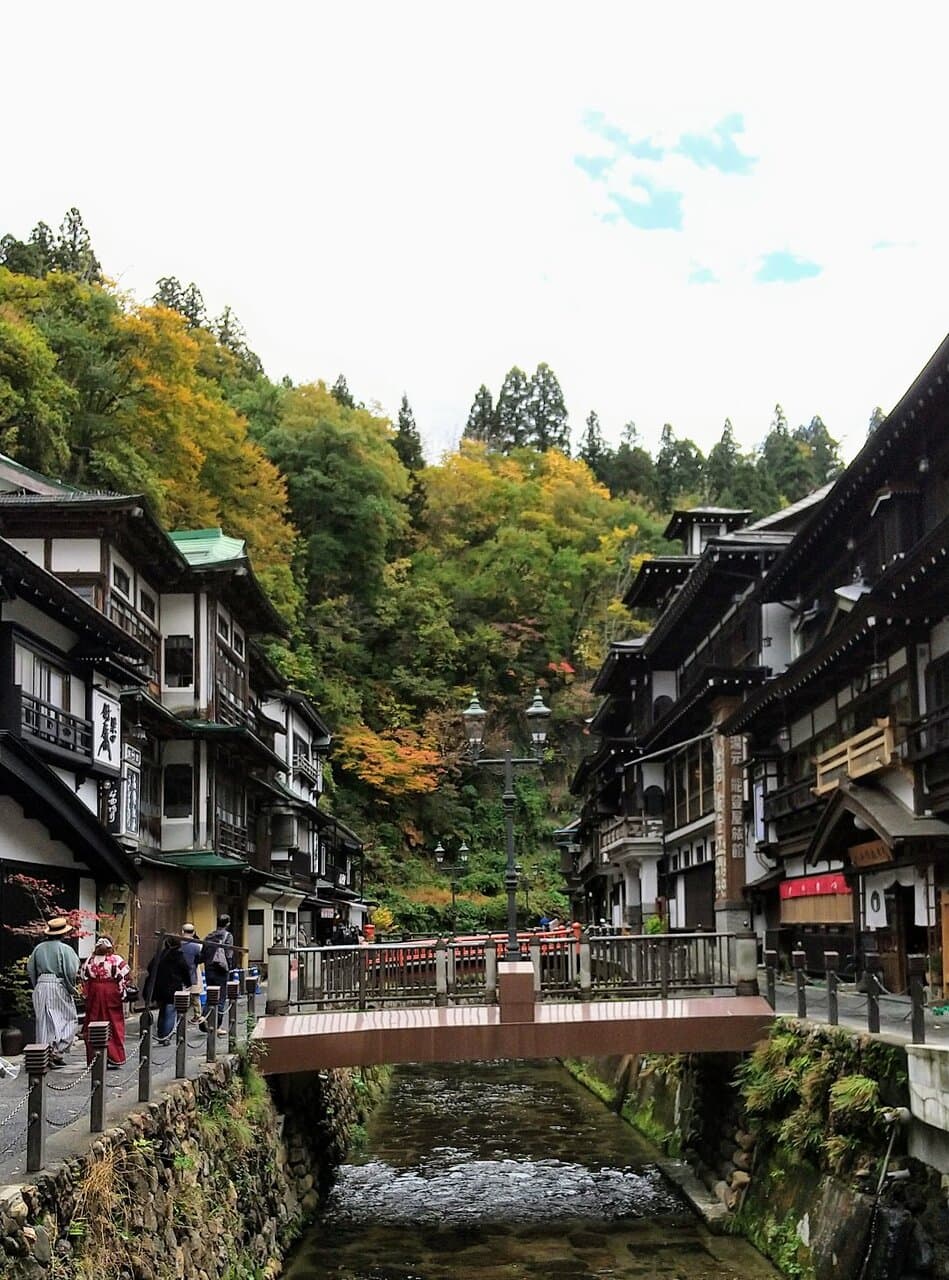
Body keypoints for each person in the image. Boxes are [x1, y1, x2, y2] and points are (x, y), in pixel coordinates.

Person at [26, 917, 79, 1068]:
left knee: (44, 1022)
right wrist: (71, 987)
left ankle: (44, 1055)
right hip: (57, 984)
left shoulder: (38, 949)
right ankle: (56, 1051)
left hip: (41, 984)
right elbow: (71, 971)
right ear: (63, 934)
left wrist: (37, 984)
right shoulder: (65, 949)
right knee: (68, 1019)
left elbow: (30, 968)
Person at [79, 935, 130, 1069]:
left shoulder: (90, 960)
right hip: (111, 992)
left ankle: (94, 1056)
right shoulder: (116, 960)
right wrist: (122, 992)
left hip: (94, 992)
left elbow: (83, 976)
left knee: (93, 1022)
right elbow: (125, 975)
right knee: (114, 1023)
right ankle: (114, 1056)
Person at [144, 935, 192, 1043]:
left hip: (159, 987)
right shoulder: (178, 956)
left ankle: (161, 1034)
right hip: (173, 987)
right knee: (170, 1011)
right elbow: (185, 970)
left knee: (162, 1011)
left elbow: (150, 967)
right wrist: (188, 983)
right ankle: (166, 1036)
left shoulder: (160, 955)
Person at [201, 914, 234, 1034]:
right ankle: (216, 1025)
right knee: (220, 997)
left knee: (211, 994)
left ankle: (204, 1017)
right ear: (227, 924)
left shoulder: (209, 936)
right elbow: (229, 953)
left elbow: (203, 952)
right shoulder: (227, 936)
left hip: (209, 968)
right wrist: (229, 967)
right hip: (221, 969)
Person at [179, 923, 204, 1023]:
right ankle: (197, 1015)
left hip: (179, 973)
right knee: (195, 995)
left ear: (182, 931)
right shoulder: (197, 945)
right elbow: (200, 959)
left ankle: (180, 1017)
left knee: (180, 995)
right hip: (193, 971)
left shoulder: (177, 944)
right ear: (193, 932)